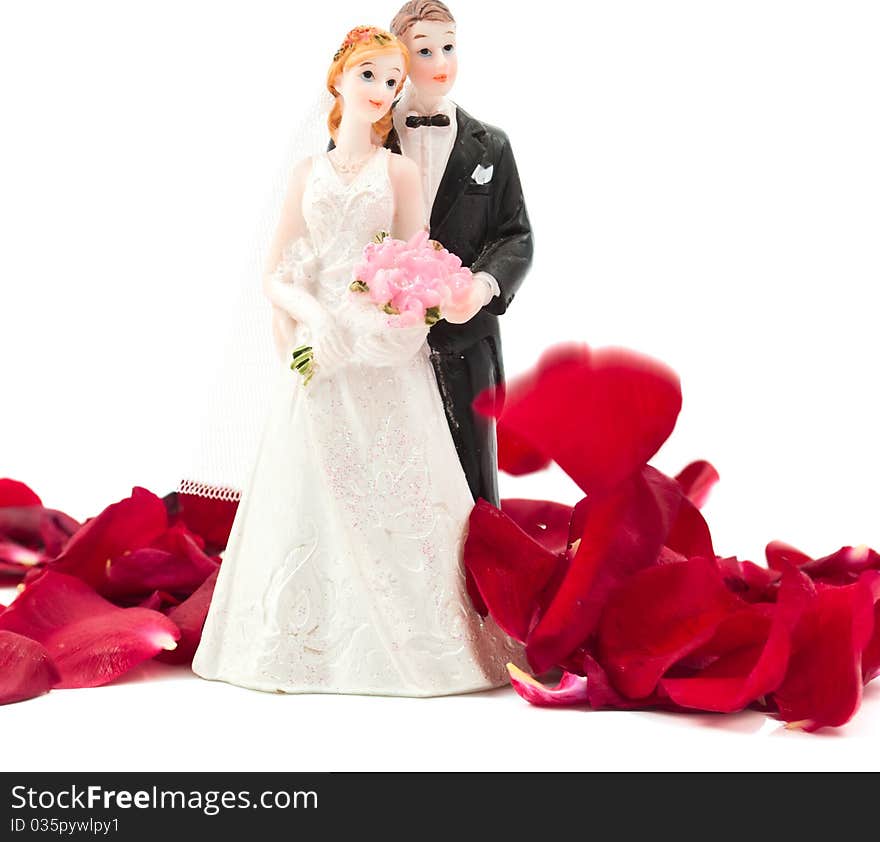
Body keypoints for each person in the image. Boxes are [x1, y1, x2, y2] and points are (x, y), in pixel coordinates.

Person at [191, 25, 528, 697]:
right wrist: (314, 319)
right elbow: (276, 271)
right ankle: (300, 631)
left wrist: (390, 327)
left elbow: (414, 259)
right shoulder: (306, 173)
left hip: (379, 344)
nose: (383, 92)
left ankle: (420, 636)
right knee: (308, 480)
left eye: (392, 81)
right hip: (322, 347)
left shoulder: (398, 171)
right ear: (339, 78)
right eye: (371, 76)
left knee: (398, 482)